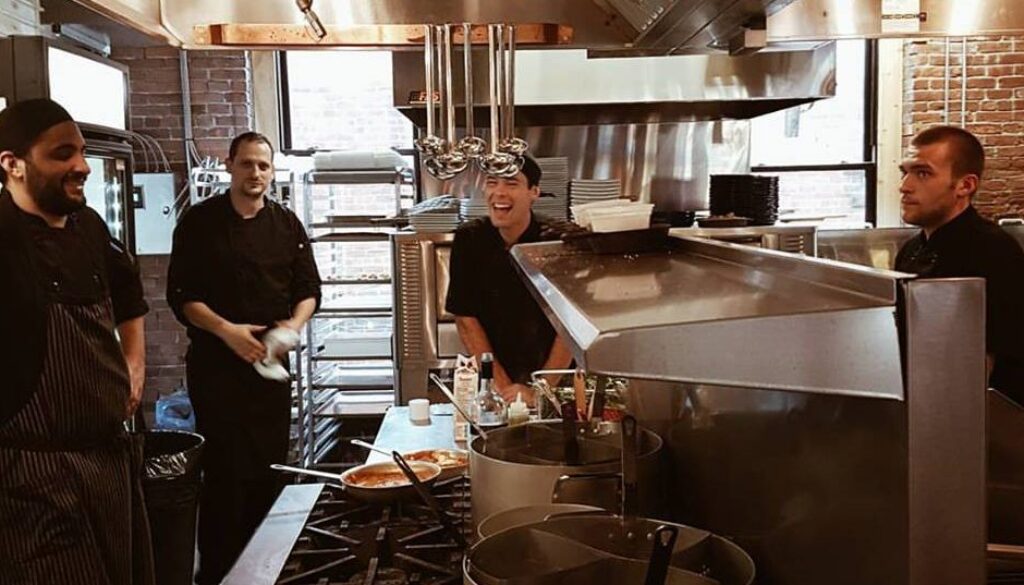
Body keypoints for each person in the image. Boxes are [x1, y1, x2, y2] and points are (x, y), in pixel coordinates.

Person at [0, 99, 154, 584]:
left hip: (109, 464)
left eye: (83, 153)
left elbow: (130, 297)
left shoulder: (89, 226)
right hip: (33, 475)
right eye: (62, 154)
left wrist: (135, 363)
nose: (82, 167)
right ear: (12, 164)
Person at [166, 132, 321, 584]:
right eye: (248, 164)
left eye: (264, 167)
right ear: (230, 165)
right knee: (224, 476)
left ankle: (266, 571)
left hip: (270, 372)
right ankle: (217, 575)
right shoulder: (199, 223)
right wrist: (227, 332)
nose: (256, 174)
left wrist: (292, 327)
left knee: (268, 470)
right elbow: (181, 296)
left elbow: (309, 291)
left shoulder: (286, 225)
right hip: (217, 370)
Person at [896, 125, 1024, 404]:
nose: (904, 186)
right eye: (904, 172)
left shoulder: (994, 252)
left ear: (965, 186)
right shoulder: (911, 250)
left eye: (923, 173)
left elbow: (994, 359)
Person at [445, 156, 573, 402]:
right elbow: (465, 319)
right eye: (492, 183)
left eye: (511, 184)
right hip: (489, 382)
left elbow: (569, 325)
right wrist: (500, 388)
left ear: (533, 192)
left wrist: (540, 390)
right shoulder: (469, 240)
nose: (499, 193)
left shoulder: (558, 240)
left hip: (554, 380)